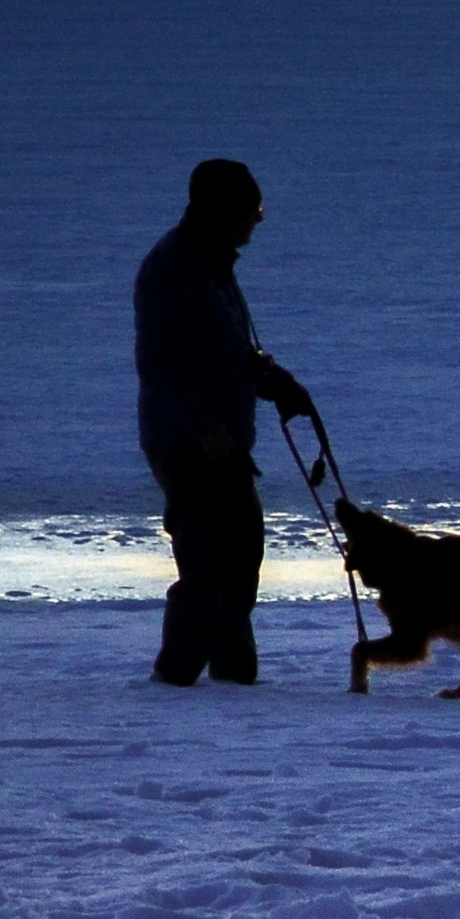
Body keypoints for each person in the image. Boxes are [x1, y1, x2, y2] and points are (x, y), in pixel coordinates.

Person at [132, 157, 310, 688]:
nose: (258, 220)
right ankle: (178, 675)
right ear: (222, 212)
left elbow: (225, 350)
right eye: (252, 210)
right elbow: (161, 364)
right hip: (190, 442)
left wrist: (272, 381)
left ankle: (234, 674)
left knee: (240, 551)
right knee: (209, 562)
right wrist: (203, 425)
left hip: (220, 439)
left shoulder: (210, 264)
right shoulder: (174, 269)